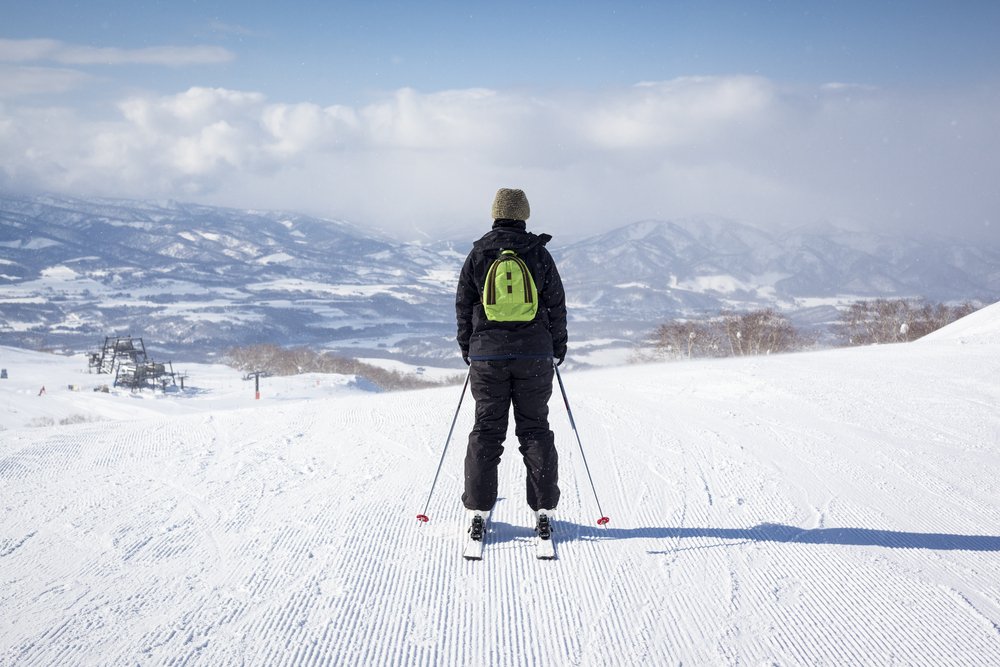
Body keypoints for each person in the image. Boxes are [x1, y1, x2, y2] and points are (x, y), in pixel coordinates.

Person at [455, 187, 568, 537]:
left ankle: (478, 507)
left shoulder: (479, 253)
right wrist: (557, 347)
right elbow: (556, 305)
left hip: (487, 356)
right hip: (534, 355)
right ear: (525, 215)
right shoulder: (538, 254)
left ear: (494, 213)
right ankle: (544, 506)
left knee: (487, 432)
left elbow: (463, 306)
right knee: (534, 429)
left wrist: (469, 349)